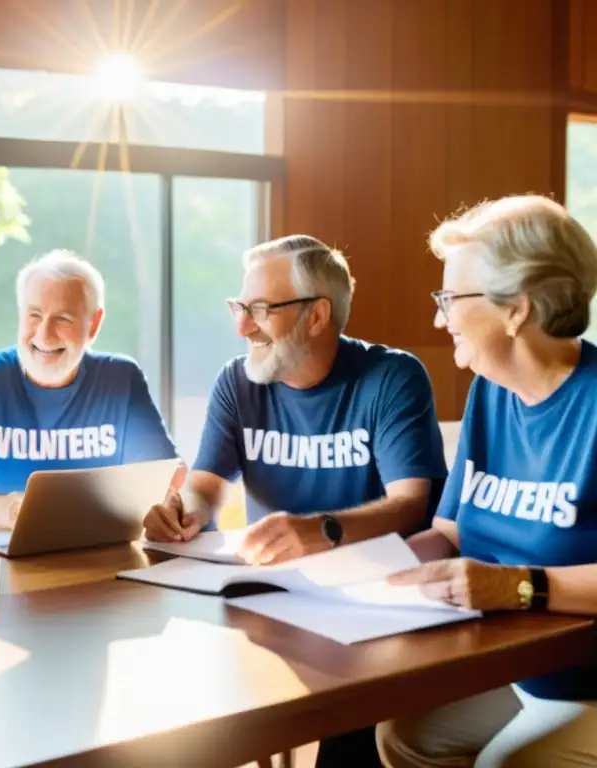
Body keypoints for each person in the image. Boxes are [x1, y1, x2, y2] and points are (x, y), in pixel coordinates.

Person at [143, 234, 449, 768]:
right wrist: (184, 512)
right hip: (273, 601)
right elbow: (208, 483)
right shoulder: (236, 383)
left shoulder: (391, 378)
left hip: (375, 610)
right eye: (240, 307)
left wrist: (322, 530)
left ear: (316, 316)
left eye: (260, 309)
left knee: (345, 746)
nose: (242, 326)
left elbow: (411, 504)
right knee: (174, 712)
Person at [375, 195, 597, 767]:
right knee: (404, 735)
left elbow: (506, 583)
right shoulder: (489, 394)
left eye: (449, 298)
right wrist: (365, 571)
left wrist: (520, 586)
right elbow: (448, 533)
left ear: (516, 309)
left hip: (588, 684)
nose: (438, 318)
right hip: (518, 670)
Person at [0, 249, 182, 528]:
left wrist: (164, 501)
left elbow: (163, 474)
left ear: (94, 324)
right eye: (34, 315)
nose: (44, 335)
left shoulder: (122, 378)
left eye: (62, 319)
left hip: (102, 554)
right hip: (4, 554)